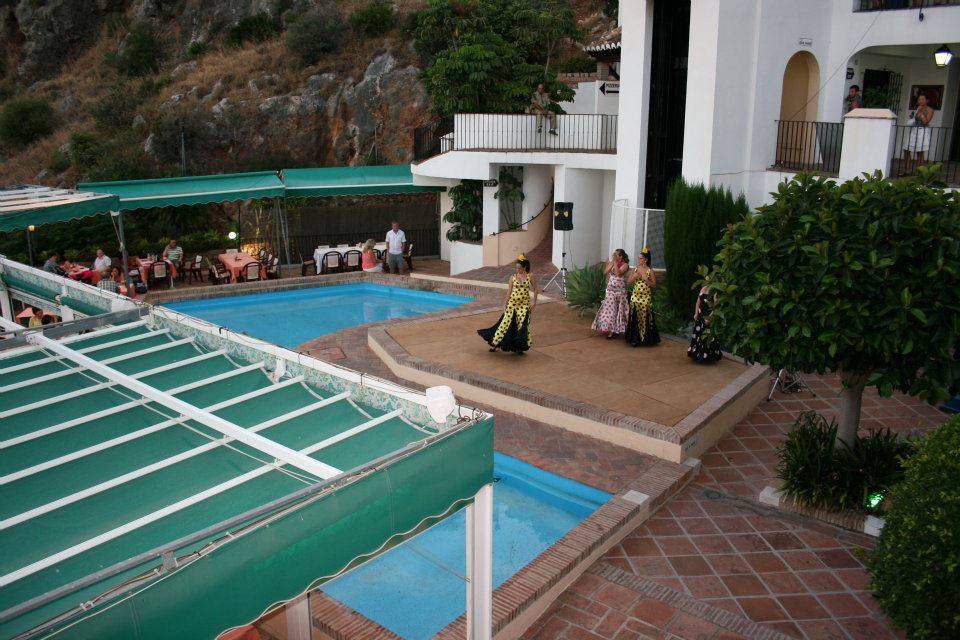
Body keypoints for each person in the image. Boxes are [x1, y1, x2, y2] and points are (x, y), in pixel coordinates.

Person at [478, 254, 538, 355]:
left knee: (522, 326)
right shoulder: (512, 277)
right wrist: (504, 305)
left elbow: (536, 289)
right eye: (516, 268)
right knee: (504, 324)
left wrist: (534, 302)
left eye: (519, 268)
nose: (517, 269)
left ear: (524, 267)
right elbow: (509, 292)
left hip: (524, 306)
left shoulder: (530, 276)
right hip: (512, 305)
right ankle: (495, 343)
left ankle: (519, 347)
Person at [625, 247, 660, 347]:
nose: (638, 260)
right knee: (635, 317)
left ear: (646, 259)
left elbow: (654, 285)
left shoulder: (650, 271)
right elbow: (628, 282)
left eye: (640, 258)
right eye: (638, 258)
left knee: (645, 317)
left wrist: (646, 279)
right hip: (635, 297)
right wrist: (634, 276)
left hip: (645, 298)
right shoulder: (635, 269)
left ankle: (645, 338)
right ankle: (635, 339)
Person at [592, 249, 630, 339]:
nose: (614, 256)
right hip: (610, 290)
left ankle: (616, 330)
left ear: (621, 256)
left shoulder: (625, 265)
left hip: (620, 291)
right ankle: (609, 329)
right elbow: (605, 272)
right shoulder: (613, 262)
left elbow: (618, 274)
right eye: (614, 254)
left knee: (619, 311)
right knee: (610, 310)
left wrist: (615, 263)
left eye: (616, 255)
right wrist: (610, 263)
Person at [688, 284, 722, 363]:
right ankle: (698, 355)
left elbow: (716, 307)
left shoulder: (715, 291)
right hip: (700, 317)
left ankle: (708, 357)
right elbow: (697, 302)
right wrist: (696, 313)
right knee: (698, 336)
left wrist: (709, 318)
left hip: (708, 317)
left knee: (707, 337)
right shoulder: (703, 288)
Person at [902, 92, 934, 176]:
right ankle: (907, 170)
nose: (920, 101)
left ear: (927, 101)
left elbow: (926, 121)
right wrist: (913, 117)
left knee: (920, 152)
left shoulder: (930, 110)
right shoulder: (917, 108)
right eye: (919, 99)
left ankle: (919, 172)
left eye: (923, 99)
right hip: (914, 131)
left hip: (922, 131)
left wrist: (921, 114)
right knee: (907, 149)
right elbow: (914, 120)